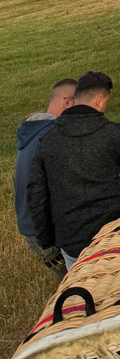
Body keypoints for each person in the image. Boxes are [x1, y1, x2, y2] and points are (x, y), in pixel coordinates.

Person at [28, 72, 120, 269]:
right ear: (98, 100)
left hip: (72, 242)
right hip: (114, 231)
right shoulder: (112, 133)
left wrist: (47, 243)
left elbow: (37, 196)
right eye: (106, 102)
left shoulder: (47, 142)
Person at [14, 78, 76, 281]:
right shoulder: (54, 134)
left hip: (30, 227)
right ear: (68, 101)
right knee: (80, 284)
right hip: (47, 228)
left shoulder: (33, 131)